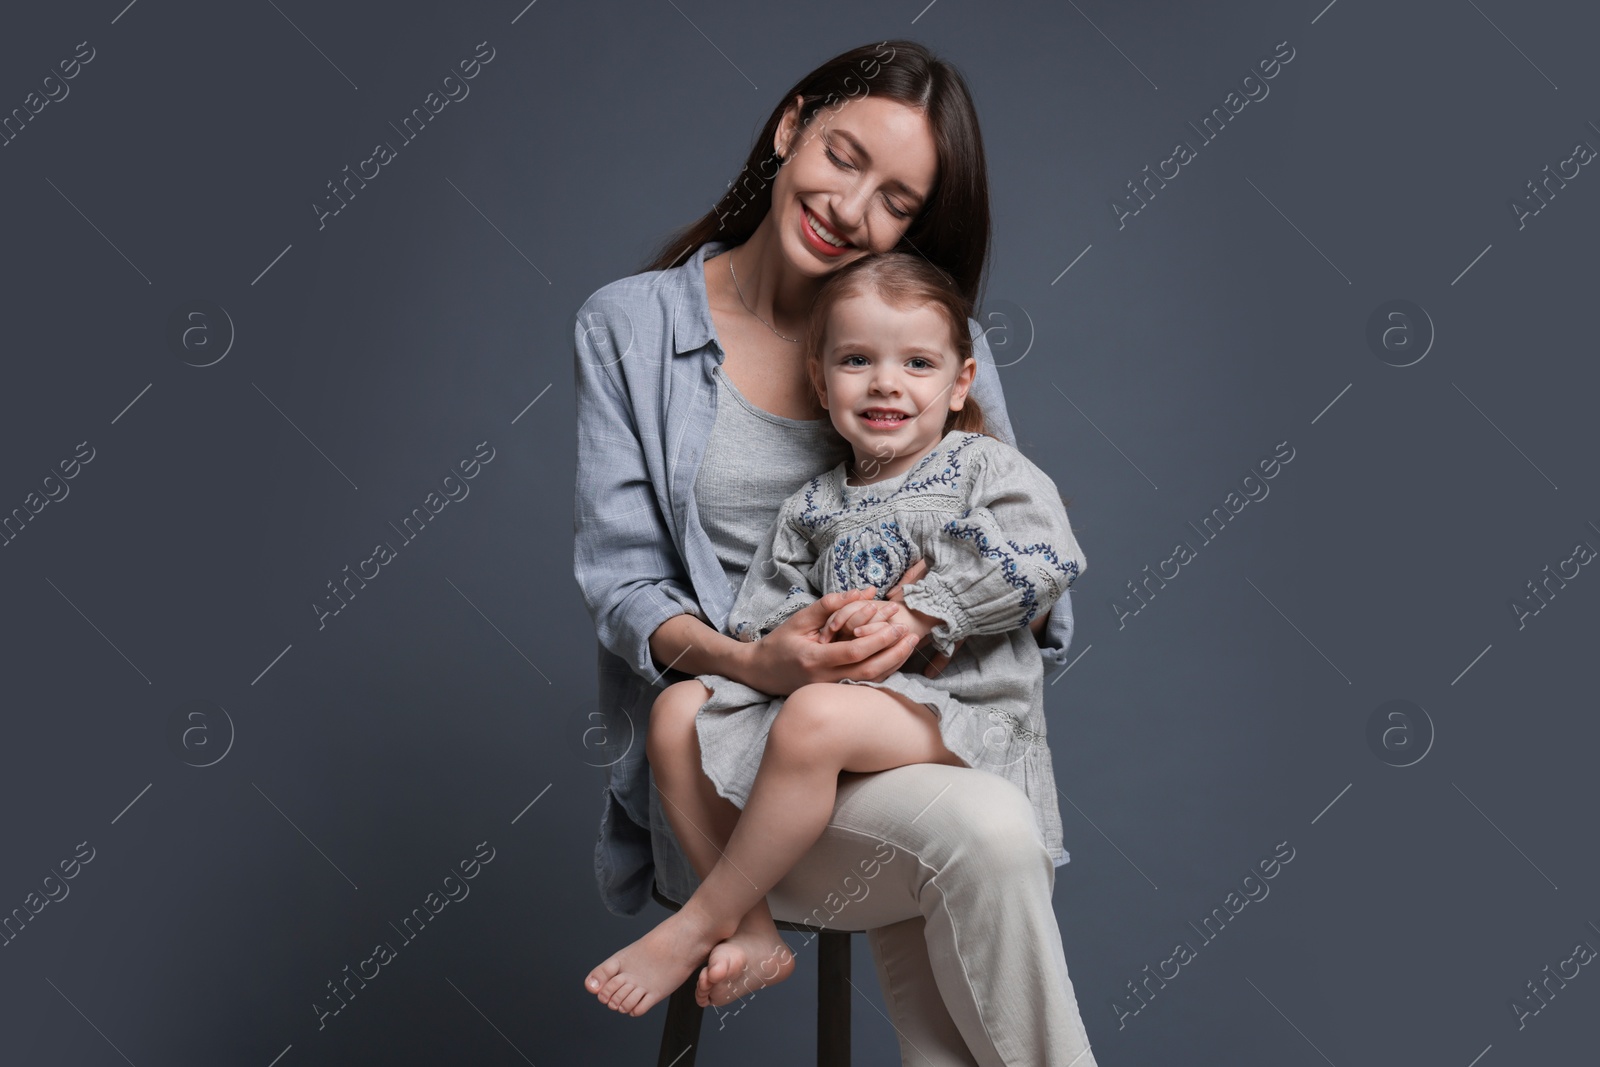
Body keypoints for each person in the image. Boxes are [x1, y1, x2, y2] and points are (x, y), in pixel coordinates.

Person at [573, 39, 1100, 1065]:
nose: (854, 208)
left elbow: (1040, 573)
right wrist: (760, 657)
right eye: (843, 156)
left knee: (984, 828)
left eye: (897, 199)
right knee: (967, 832)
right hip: (734, 771)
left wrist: (922, 613)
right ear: (790, 126)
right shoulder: (630, 329)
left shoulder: (937, 339)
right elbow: (626, 587)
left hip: (904, 730)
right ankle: (743, 917)